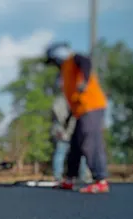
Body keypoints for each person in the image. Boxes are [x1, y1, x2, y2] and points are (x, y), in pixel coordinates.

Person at [44, 42, 110, 193]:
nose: (54, 65)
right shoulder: (65, 70)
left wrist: (84, 82)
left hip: (91, 106)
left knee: (90, 141)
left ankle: (101, 180)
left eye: (54, 61)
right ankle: (69, 179)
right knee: (75, 145)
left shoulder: (73, 59)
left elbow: (85, 62)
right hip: (80, 111)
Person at [50, 94, 91, 184]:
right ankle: (58, 177)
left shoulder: (77, 100)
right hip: (62, 132)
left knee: (82, 154)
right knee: (60, 152)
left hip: (74, 132)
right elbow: (58, 115)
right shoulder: (61, 100)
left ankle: (84, 177)